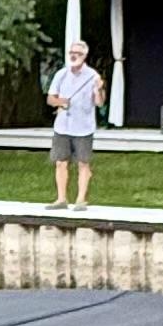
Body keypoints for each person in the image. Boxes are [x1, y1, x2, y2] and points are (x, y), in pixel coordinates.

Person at [47, 35, 104, 206]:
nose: (73, 55)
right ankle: (61, 199)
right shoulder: (61, 74)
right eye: (71, 52)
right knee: (60, 162)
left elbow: (99, 103)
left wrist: (99, 90)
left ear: (84, 56)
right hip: (62, 126)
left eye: (77, 53)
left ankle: (81, 199)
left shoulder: (93, 76)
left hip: (84, 127)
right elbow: (50, 99)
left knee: (83, 163)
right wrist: (60, 102)